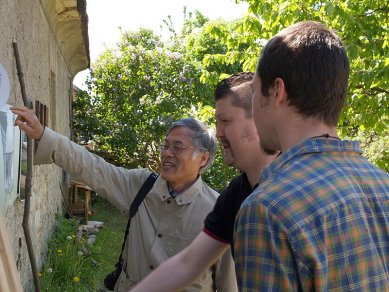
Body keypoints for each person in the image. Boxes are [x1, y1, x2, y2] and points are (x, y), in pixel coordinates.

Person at [235, 21, 389, 291]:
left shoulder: (266, 209)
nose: (253, 107)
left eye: (255, 92)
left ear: (278, 91)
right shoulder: (383, 185)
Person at [10, 108, 236, 292]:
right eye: (166, 145)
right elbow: (93, 167)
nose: (167, 153)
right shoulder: (142, 186)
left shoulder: (219, 211)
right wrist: (43, 135)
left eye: (178, 147)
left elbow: (228, 285)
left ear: (203, 158)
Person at [131, 72, 279, 291]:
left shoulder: (293, 189)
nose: (218, 134)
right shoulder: (235, 195)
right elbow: (187, 264)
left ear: (260, 119)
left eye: (226, 121)